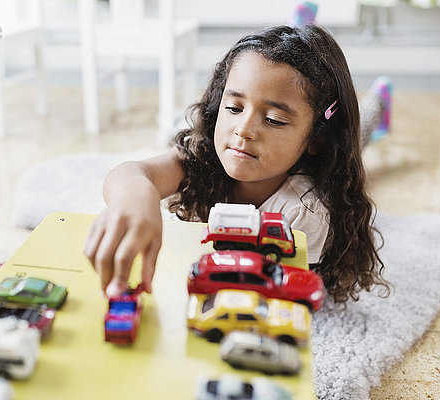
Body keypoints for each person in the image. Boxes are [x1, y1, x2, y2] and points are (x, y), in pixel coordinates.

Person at [83, 24, 391, 304]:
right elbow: (132, 173)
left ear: (315, 139)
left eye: (273, 120)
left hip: (323, 156)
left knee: (358, 136)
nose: (243, 129)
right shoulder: (204, 157)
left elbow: (278, 295)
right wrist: (136, 196)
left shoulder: (304, 209)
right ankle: (302, 27)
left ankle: (378, 100)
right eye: (233, 107)